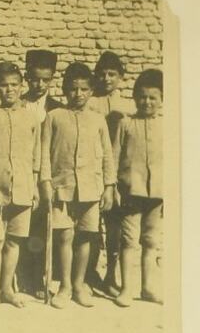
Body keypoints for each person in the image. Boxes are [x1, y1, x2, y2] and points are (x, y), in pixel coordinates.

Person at [40, 62, 116, 309]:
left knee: (85, 237)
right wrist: (46, 182)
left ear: (91, 91)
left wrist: (108, 186)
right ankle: (65, 286)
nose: (78, 94)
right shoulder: (53, 117)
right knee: (64, 236)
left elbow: (107, 155)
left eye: (84, 89)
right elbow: (43, 152)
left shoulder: (98, 120)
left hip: (90, 188)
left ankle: (80, 283)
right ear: (64, 90)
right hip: (62, 186)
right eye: (73, 89)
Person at [0, 62, 41, 310]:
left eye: (14, 85)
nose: (9, 90)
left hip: (22, 186)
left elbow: (37, 156)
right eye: (3, 85)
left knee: (14, 241)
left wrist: (34, 186)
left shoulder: (31, 118)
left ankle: (7, 289)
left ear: (22, 86)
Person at [113, 69, 163, 307]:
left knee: (151, 240)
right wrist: (112, 185)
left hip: (157, 193)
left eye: (153, 97)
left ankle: (148, 287)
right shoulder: (126, 123)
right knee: (129, 240)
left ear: (161, 100)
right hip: (131, 191)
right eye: (142, 97)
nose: (147, 102)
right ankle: (126, 288)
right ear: (135, 98)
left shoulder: (165, 127)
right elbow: (114, 157)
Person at [87, 51, 134, 296]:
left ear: (121, 77)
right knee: (92, 226)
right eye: (102, 74)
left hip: (119, 173)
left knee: (114, 227)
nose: (106, 79)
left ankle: (111, 274)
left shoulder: (128, 106)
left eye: (112, 74)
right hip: (94, 171)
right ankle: (89, 273)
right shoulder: (90, 103)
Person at [20, 49, 63, 296]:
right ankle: (20, 276)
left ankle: (38, 279)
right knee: (20, 228)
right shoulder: (18, 104)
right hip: (23, 172)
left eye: (45, 80)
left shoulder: (58, 108)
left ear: (52, 79)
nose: (39, 84)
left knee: (41, 229)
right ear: (27, 77)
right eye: (35, 79)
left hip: (45, 176)